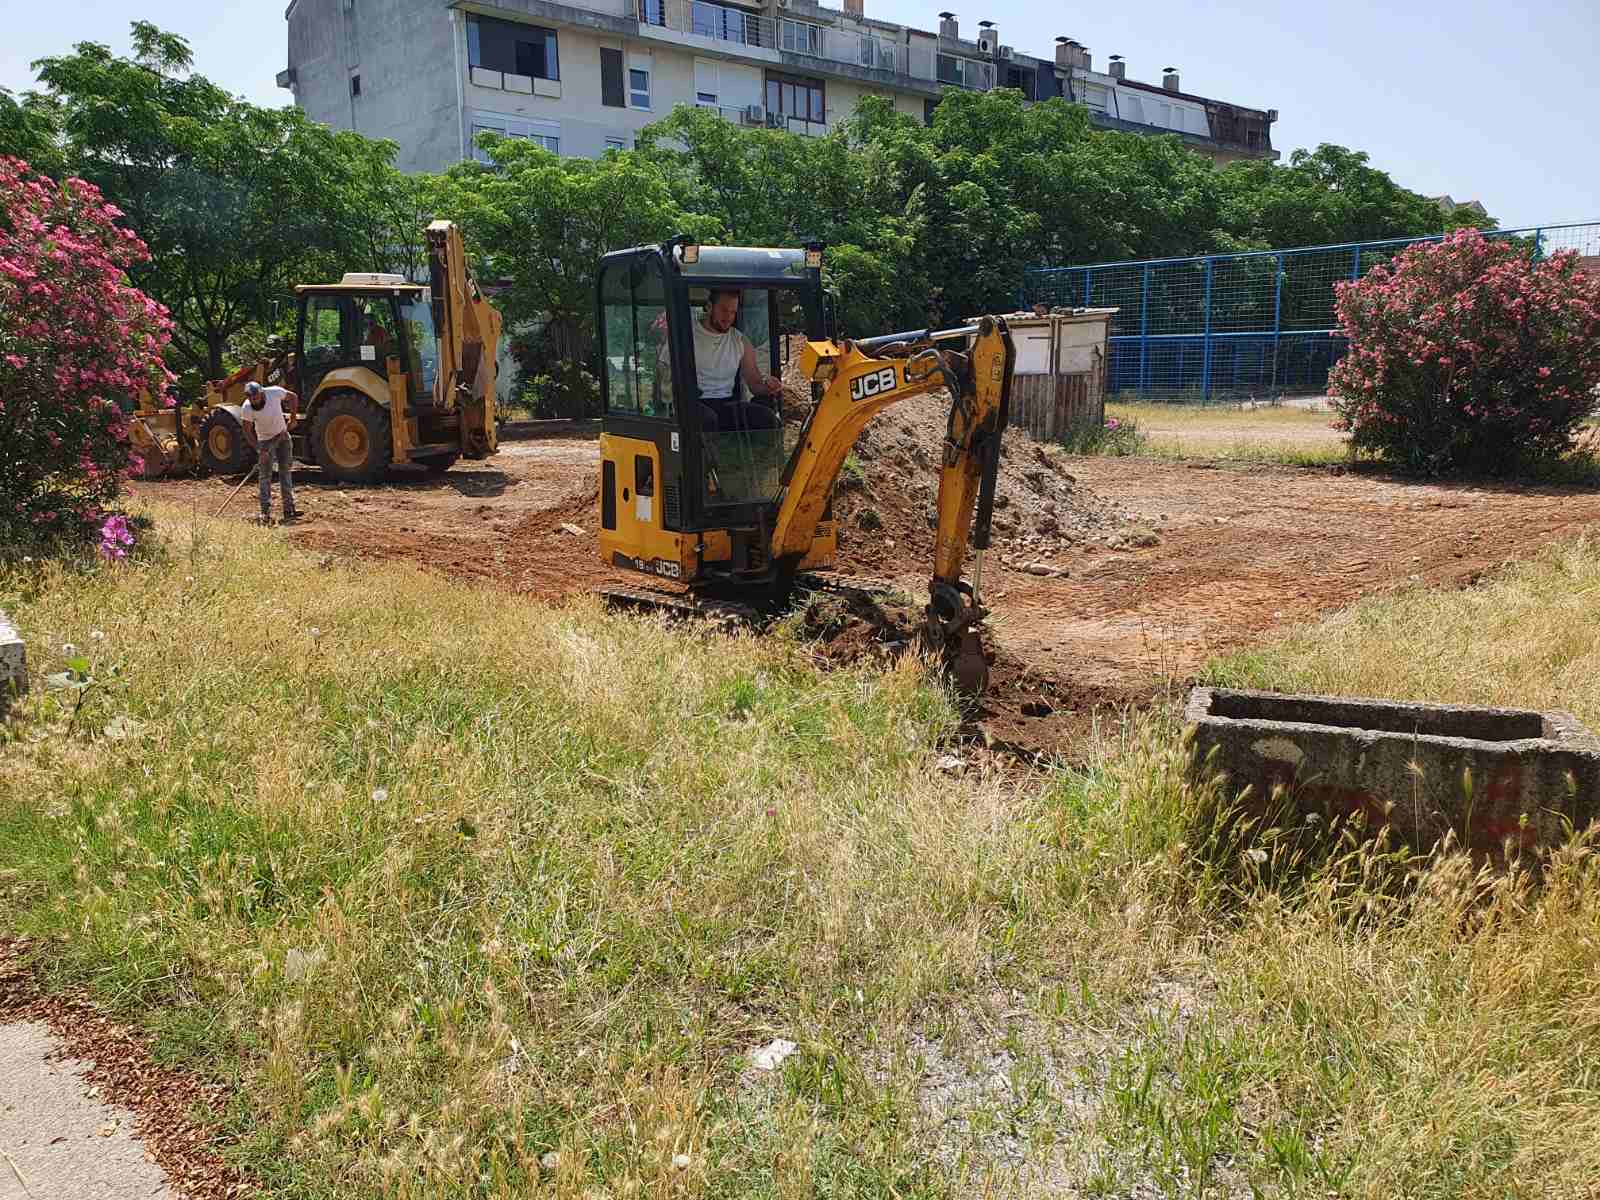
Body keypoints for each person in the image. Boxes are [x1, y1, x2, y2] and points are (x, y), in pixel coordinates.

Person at [693, 288, 783, 433]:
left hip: (727, 405)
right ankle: (707, 456)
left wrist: (769, 386)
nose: (728, 317)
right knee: (708, 420)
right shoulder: (687, 337)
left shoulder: (740, 340)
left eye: (733, 312)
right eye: (723, 310)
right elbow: (664, 376)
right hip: (695, 405)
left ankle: (763, 456)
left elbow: (755, 384)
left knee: (766, 419)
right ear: (709, 307)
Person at [239, 381, 300, 524]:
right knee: (265, 476)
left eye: (256, 396)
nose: (253, 399)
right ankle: (265, 512)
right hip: (265, 441)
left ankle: (289, 508)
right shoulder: (247, 408)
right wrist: (260, 450)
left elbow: (293, 397)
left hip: (282, 436)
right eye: (250, 397)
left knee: (285, 471)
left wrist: (293, 417)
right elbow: (247, 431)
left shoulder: (274, 392)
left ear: (261, 393)